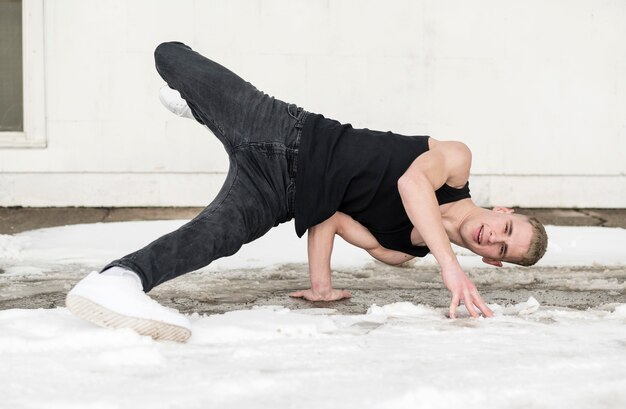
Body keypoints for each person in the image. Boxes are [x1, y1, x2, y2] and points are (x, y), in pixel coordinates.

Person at [66, 42, 548, 342]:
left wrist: (321, 285)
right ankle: (207, 111)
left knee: (210, 239)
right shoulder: (455, 162)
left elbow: (332, 218)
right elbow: (410, 183)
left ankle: (120, 278)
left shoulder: (403, 251)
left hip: (276, 193)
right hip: (285, 130)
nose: (493, 235)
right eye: (506, 227)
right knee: (169, 55)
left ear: (495, 261)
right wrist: (450, 268)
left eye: (502, 248)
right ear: (504, 210)